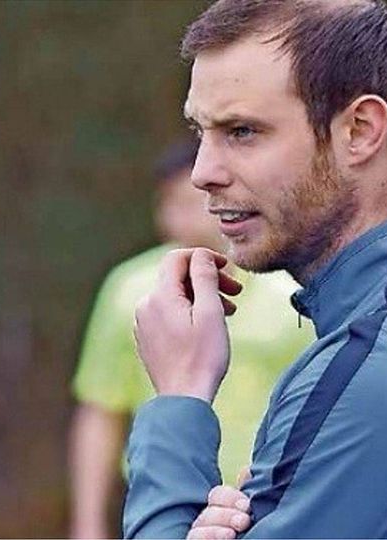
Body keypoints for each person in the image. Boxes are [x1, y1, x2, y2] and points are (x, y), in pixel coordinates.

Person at [125, 0, 387, 538]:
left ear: (361, 130)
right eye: (200, 132)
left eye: (243, 132)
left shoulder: (382, 366)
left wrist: (179, 399)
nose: (204, 172)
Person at [68, 140, 314, 539]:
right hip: (166, 501)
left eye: (192, 201)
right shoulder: (129, 291)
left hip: (272, 506)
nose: (179, 218)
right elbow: (100, 408)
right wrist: (87, 524)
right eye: (169, 203)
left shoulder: (291, 289)